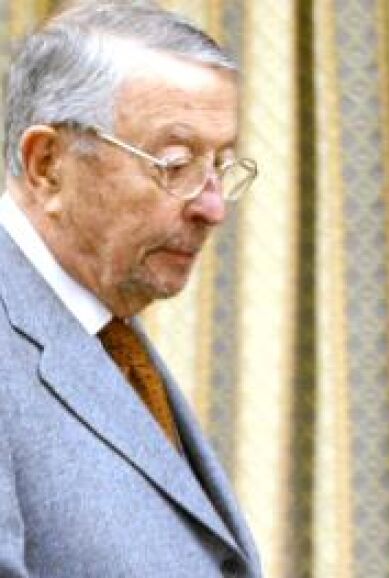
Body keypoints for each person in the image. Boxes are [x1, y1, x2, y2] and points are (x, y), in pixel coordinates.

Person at [0, 1, 261, 576]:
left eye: (221, 165)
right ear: (47, 165)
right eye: (176, 164)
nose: (214, 207)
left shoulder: (108, 330)